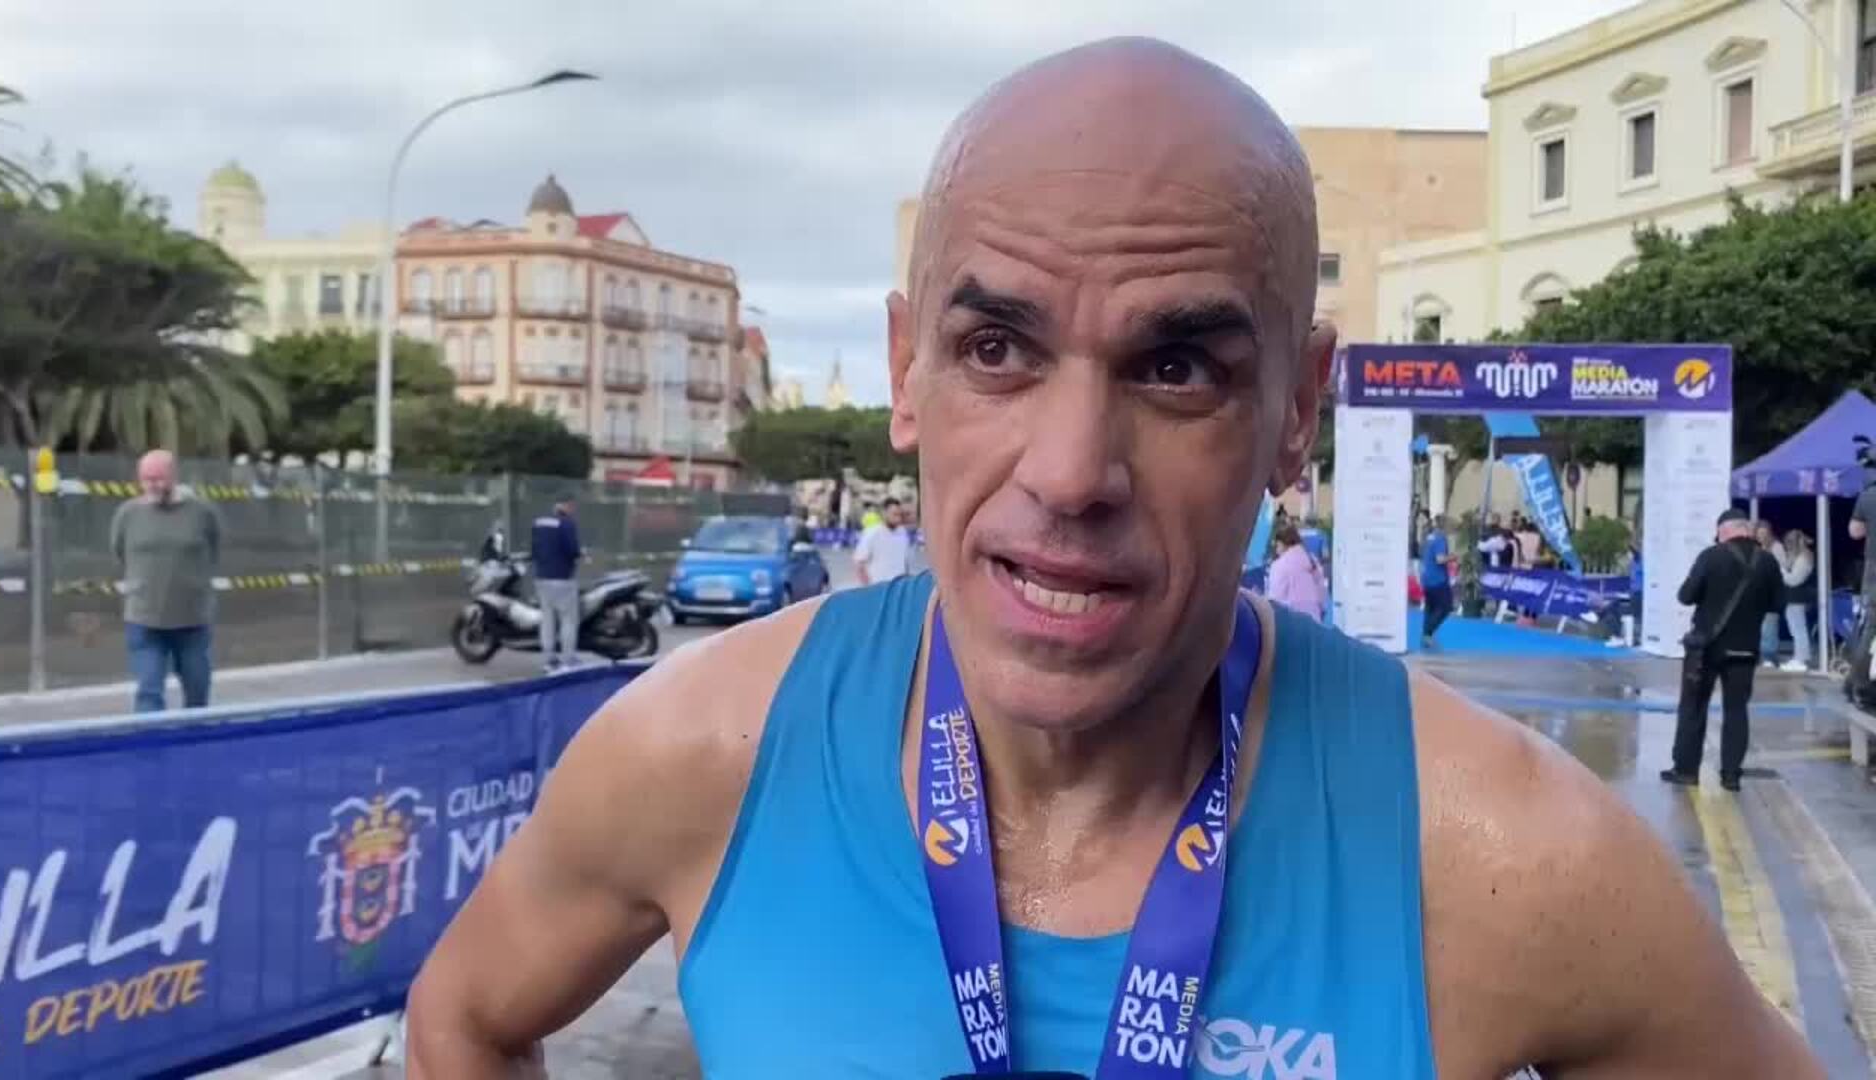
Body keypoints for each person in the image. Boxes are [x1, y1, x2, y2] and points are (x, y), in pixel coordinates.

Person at [407, 39, 1820, 1078]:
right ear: (906, 373)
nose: (1073, 471)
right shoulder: (699, 754)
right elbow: (463, 1017)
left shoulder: (1504, 858)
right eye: (997, 348)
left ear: (1297, 413)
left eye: (1178, 368)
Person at [1662, 509, 1787, 792]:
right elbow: (1778, 604)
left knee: (1693, 707)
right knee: (1736, 711)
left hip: (1705, 648)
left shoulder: (1711, 556)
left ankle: (1686, 770)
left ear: (1724, 531)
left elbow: (1686, 596)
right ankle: (1731, 775)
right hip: (1745, 648)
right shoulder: (1767, 561)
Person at [111, 449, 222, 714]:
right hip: (145, 619)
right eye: (146, 479)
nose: (152, 485)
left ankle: (195, 736)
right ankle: (151, 739)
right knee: (149, 691)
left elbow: (214, 548)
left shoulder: (201, 513)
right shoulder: (128, 514)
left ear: (174, 476)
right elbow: (119, 551)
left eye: (158, 478)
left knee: (197, 689)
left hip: (192, 619)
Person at [528, 496, 582, 672]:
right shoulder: (566, 524)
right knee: (568, 620)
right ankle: (568, 659)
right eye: (572, 506)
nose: (573, 509)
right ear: (567, 505)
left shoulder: (539, 523)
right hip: (562, 579)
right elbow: (572, 550)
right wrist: (579, 555)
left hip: (542, 578)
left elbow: (534, 550)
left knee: (547, 619)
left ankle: (548, 659)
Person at [1265, 517, 1326, 621]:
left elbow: (1275, 601)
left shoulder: (1279, 565)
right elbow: (1321, 594)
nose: (1276, 550)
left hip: (1292, 622)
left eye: (1277, 546)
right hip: (1314, 619)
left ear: (1282, 544)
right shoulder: (1312, 561)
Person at [852, 496, 912, 585]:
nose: (898, 518)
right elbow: (859, 563)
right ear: (884, 513)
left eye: (900, 515)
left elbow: (905, 562)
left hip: (899, 586)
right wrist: (867, 587)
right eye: (894, 514)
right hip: (879, 586)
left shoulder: (903, 533)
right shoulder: (872, 533)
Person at [1782, 529, 1816, 672]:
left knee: (1798, 629)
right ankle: (1799, 657)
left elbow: (1794, 580)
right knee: (1796, 629)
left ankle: (1801, 659)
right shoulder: (1797, 557)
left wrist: (1780, 570)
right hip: (1792, 598)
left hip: (1798, 598)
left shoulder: (1804, 558)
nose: (1788, 546)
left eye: (1790, 542)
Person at [1420, 514, 1454, 648]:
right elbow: (1440, 559)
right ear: (1445, 525)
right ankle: (1428, 633)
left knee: (1430, 607)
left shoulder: (1430, 537)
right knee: (1445, 607)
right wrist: (1453, 557)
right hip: (1438, 578)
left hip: (1427, 577)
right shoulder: (1440, 538)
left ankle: (1426, 634)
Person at [1754, 521, 1785, 666]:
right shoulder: (1754, 548)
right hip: (1756, 593)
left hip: (1771, 594)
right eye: (1759, 533)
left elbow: (1781, 568)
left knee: (1769, 626)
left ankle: (1769, 657)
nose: (1761, 536)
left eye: (1764, 533)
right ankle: (1759, 656)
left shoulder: (1776, 547)